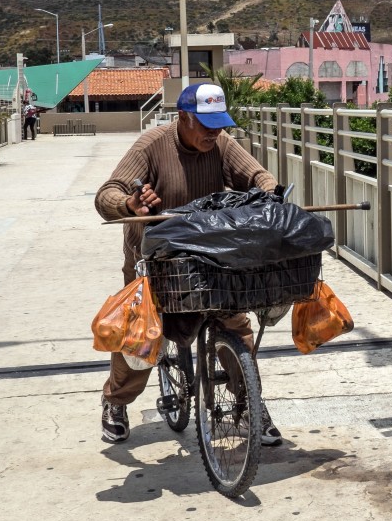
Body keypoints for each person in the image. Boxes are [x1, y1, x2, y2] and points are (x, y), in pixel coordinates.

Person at [94, 82, 283, 446]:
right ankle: (115, 402)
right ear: (183, 117)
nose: (215, 132)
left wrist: (269, 193)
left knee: (235, 322)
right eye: (206, 124)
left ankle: (250, 404)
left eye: (220, 124)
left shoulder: (222, 144)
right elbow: (107, 194)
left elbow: (259, 176)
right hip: (155, 258)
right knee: (141, 333)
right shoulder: (152, 145)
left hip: (209, 254)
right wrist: (130, 205)